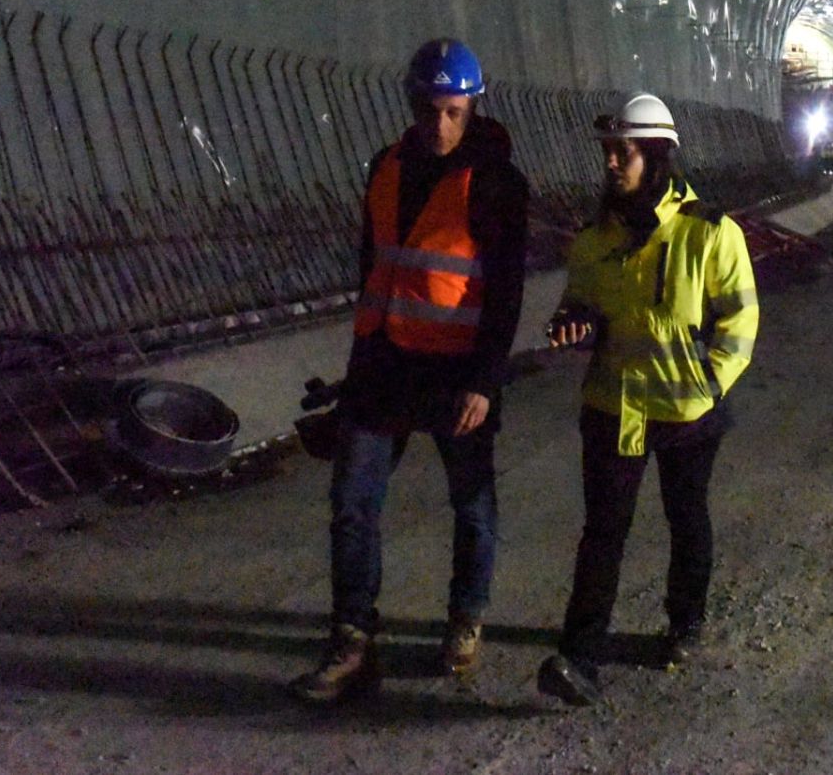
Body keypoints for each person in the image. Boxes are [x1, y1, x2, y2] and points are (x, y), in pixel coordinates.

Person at [290, 38, 530, 703]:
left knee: (472, 506)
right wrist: (354, 369)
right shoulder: (385, 168)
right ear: (411, 104)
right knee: (351, 506)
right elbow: (375, 272)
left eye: (454, 112)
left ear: (473, 108)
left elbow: (507, 291)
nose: (441, 125)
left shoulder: (497, 183)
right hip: (384, 368)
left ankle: (465, 620)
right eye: (430, 110)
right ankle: (352, 642)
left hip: (455, 375)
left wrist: (485, 380)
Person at [537, 93, 759, 706]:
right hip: (614, 408)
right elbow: (578, 304)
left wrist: (708, 386)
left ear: (657, 156)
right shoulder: (593, 240)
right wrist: (571, 323)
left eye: (623, 153)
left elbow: (740, 322)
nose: (611, 164)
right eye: (608, 153)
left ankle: (685, 623)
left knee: (687, 518)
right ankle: (580, 657)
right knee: (603, 533)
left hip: (689, 414)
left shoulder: (711, 234)